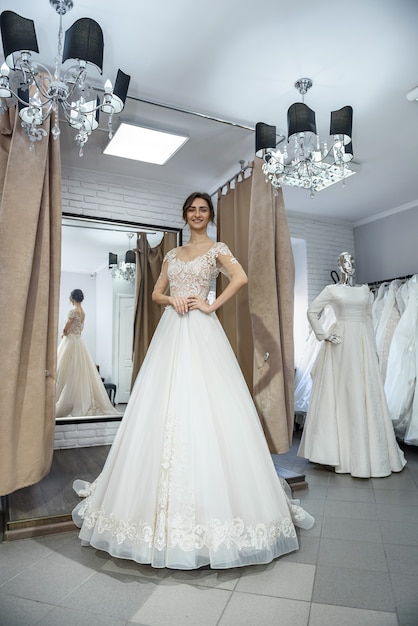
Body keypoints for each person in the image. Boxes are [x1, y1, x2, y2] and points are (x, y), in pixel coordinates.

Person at [72, 192, 314, 570]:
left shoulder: (218, 248)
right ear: (185, 216)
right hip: (172, 330)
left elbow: (242, 277)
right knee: (161, 401)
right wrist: (173, 301)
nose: (197, 214)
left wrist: (210, 304)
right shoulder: (171, 254)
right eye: (192, 210)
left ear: (209, 216)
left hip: (203, 330)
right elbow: (155, 292)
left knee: (209, 404)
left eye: (203, 210)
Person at [297, 252, 406, 478]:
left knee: (365, 392)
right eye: (346, 261)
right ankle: (339, 451)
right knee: (343, 393)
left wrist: (373, 350)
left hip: (363, 344)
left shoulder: (364, 290)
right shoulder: (332, 290)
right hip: (341, 343)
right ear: (339, 264)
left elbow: (369, 319)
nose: (350, 264)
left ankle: (370, 450)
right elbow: (312, 312)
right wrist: (323, 335)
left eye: (353, 261)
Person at [56, 289, 119, 418]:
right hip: (79, 342)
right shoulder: (83, 312)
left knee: (64, 370)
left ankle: (63, 400)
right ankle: (76, 400)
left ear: (72, 298)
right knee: (77, 372)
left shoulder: (72, 311)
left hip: (70, 342)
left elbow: (66, 328)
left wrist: (63, 334)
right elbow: (80, 328)